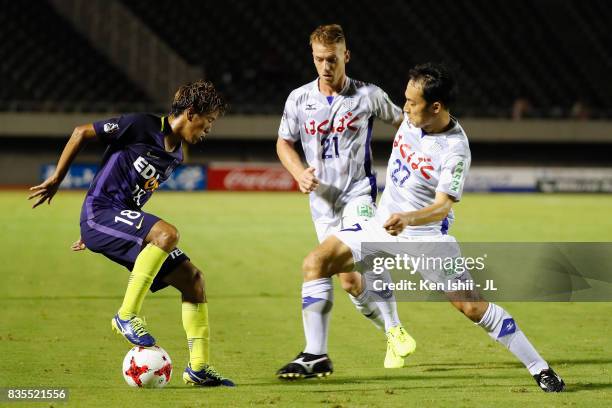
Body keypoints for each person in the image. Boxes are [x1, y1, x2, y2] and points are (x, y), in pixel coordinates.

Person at [276, 63, 565, 393]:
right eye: (405, 99)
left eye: (412, 102)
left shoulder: (455, 150)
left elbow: (443, 205)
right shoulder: (411, 120)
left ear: (436, 107)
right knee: (316, 263)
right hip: (381, 225)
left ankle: (538, 366)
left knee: (472, 306)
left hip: (426, 238)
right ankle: (316, 355)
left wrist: (409, 218)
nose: (405, 107)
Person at [29, 80, 235, 387]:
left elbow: (136, 194)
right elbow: (81, 132)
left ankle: (199, 369)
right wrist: (58, 178)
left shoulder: (176, 153)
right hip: (99, 211)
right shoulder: (141, 125)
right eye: (210, 121)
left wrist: (115, 233)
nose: (209, 129)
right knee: (167, 234)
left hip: (116, 221)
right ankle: (126, 315)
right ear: (191, 113)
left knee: (193, 280)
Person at [276, 24, 413, 370]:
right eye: (320, 59)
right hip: (322, 204)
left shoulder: (368, 95)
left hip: (359, 195)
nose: (326, 66)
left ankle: (318, 352)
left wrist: (409, 170)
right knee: (350, 282)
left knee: (364, 257)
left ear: (345, 56)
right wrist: (298, 173)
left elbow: (406, 126)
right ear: (313, 56)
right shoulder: (298, 99)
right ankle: (393, 332)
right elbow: (283, 143)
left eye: (332, 59)